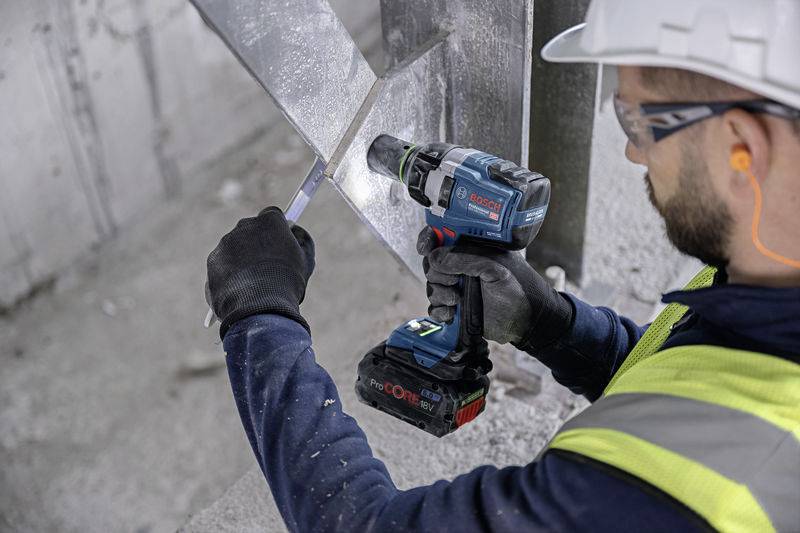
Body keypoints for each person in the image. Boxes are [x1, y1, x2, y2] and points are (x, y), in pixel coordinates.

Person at [205, 1, 800, 531]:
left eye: (638, 120)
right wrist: (555, 326)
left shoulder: (693, 491)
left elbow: (361, 524)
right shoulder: (766, 271)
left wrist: (259, 315)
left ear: (741, 146)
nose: (632, 150)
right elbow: (695, 378)